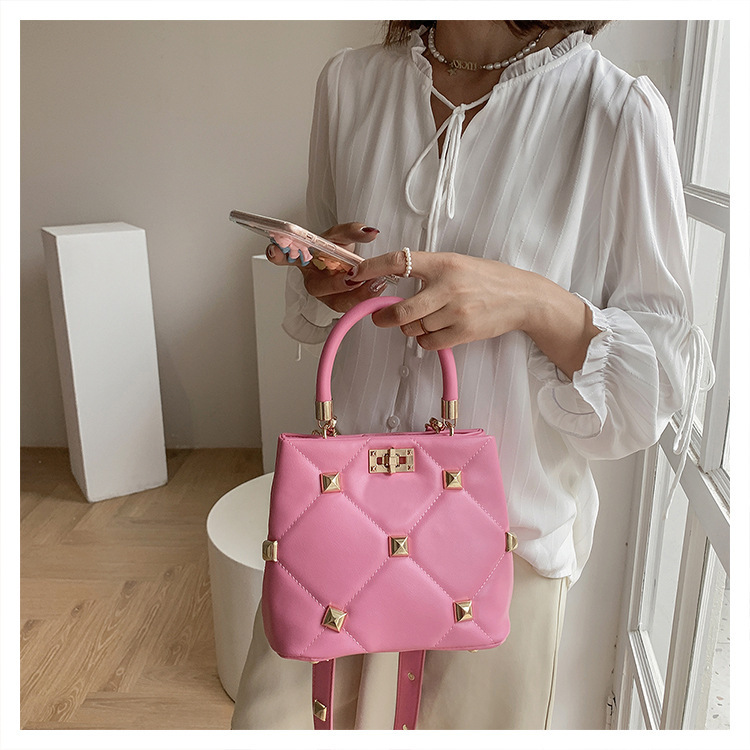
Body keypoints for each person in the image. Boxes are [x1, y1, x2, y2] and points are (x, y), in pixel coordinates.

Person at [231, 20, 711, 730]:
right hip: (333, 528)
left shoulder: (614, 112)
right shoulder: (349, 83)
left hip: (496, 554)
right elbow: (329, 273)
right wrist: (324, 278)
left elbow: (659, 378)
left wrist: (530, 299)